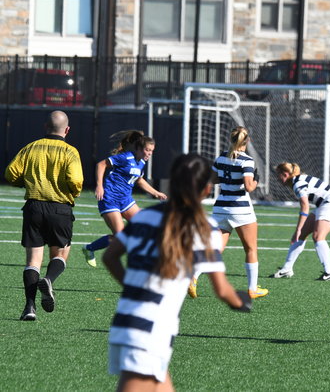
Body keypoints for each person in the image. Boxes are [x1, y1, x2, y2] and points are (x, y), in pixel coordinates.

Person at [103, 153, 252, 391]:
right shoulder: (204, 228)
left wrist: (133, 286)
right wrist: (241, 301)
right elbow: (223, 290)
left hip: (130, 319)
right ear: (206, 189)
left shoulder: (145, 216)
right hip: (151, 329)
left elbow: (110, 256)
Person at [5, 110, 84, 321]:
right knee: (60, 254)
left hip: (34, 208)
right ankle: (48, 279)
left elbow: (11, 173)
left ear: (45, 127)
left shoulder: (31, 147)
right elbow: (76, 180)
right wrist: (73, 192)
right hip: (60, 208)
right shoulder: (70, 151)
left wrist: (24, 182)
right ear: (67, 129)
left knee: (33, 261)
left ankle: (29, 307)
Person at [188, 126, 268, 299]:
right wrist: (256, 180)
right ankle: (252, 289)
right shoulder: (247, 160)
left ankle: (193, 276)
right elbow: (249, 187)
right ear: (247, 141)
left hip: (221, 208)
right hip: (241, 210)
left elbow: (212, 179)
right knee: (251, 249)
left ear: (231, 139)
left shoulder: (222, 157)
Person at [81, 130, 167, 267]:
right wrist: (99, 186)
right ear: (138, 148)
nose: (149, 153)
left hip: (126, 200)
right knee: (121, 236)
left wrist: (156, 193)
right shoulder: (125, 157)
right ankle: (90, 248)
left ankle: (150, 259)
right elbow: (101, 164)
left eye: (152, 151)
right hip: (110, 198)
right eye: (147, 150)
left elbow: (139, 180)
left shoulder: (141, 163)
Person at [272, 162, 330, 281]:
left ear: (285, 174)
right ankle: (286, 269)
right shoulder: (297, 180)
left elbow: (305, 207)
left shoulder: (297, 183)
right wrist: (299, 231)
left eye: (278, 175)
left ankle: (329, 273)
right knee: (301, 235)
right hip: (324, 204)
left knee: (318, 237)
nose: (277, 178)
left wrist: (298, 228)